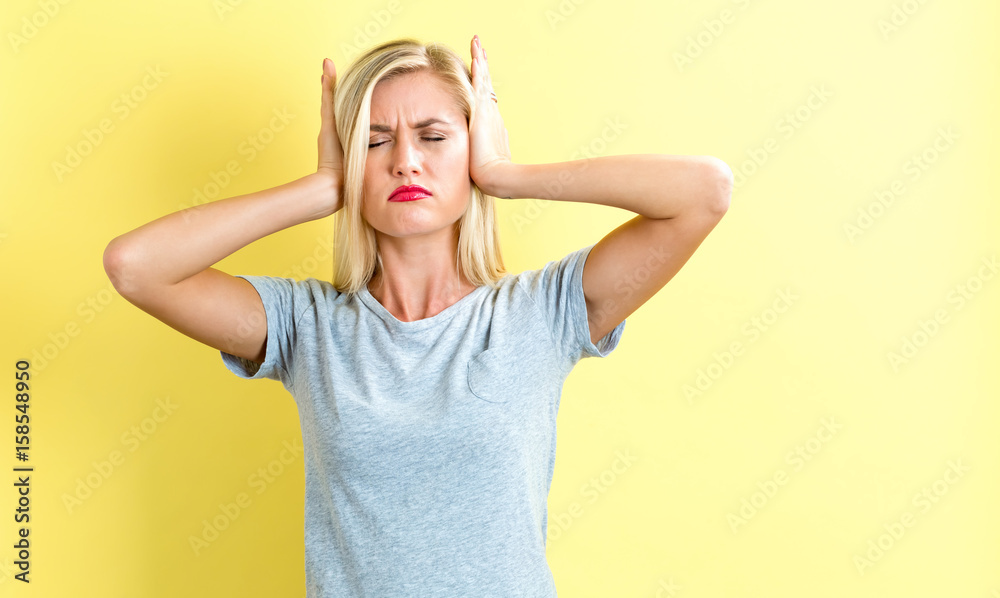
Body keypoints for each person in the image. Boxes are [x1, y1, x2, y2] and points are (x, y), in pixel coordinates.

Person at [103, 34, 732, 597]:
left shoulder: (542, 313)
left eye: (434, 137)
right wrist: (323, 187)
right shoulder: (307, 327)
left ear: (470, 148)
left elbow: (704, 192)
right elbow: (136, 265)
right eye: (374, 142)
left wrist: (504, 175)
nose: (405, 160)